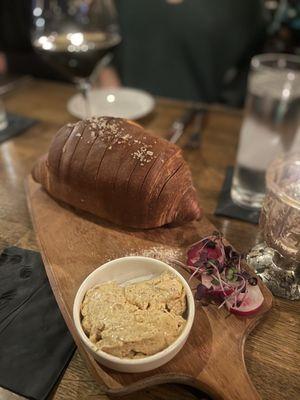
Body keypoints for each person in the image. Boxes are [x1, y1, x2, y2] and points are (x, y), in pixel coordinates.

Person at [0, 0, 267, 106]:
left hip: (198, 128)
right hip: (122, 111)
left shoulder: (246, 7)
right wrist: (107, 82)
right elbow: (100, 34)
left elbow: (250, 75)